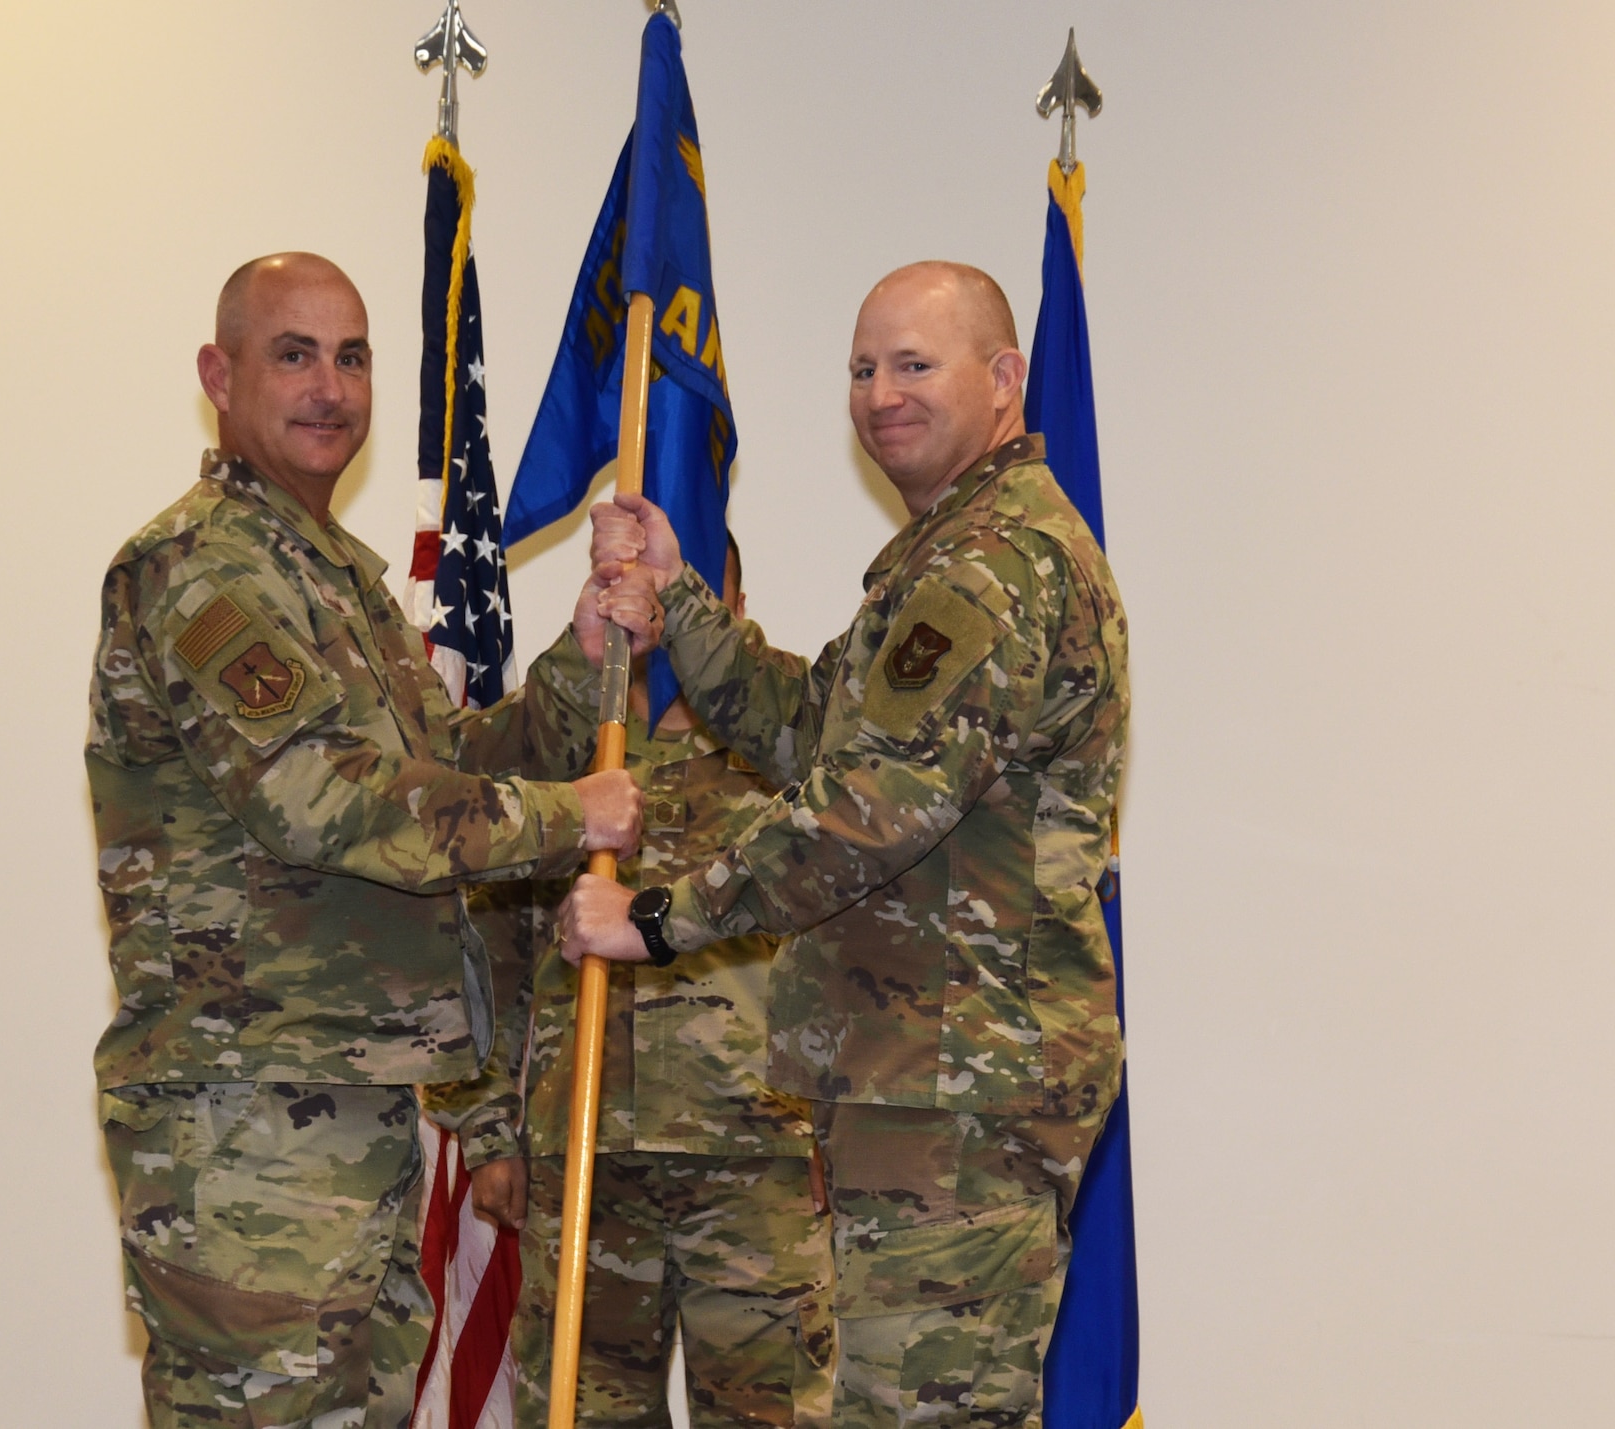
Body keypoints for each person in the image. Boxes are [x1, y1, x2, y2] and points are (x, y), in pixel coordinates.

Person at [86, 252, 661, 1429]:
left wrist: (578, 656)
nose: (329, 387)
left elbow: (450, 768)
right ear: (219, 374)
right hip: (243, 1125)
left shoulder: (338, 575)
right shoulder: (197, 564)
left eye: (351, 356)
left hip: (357, 1106)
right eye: (292, 354)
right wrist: (571, 817)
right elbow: (316, 795)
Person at [563, 261, 1129, 1428]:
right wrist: (683, 606)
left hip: (960, 1089)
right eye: (862, 369)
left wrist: (657, 921)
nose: (880, 395)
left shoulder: (993, 564)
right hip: (922, 1079)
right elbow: (810, 729)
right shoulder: (944, 554)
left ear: (1005, 379)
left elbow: (860, 808)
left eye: (914, 364)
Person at [423, 536, 835, 1428]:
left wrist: (845, 1128)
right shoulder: (566, 762)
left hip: (756, 1159)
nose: (645, 606)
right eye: (626, 583)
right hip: (584, 1160)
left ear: (726, 603)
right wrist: (489, 1124)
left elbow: (852, 949)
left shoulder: (792, 760)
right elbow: (487, 933)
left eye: (673, 589)